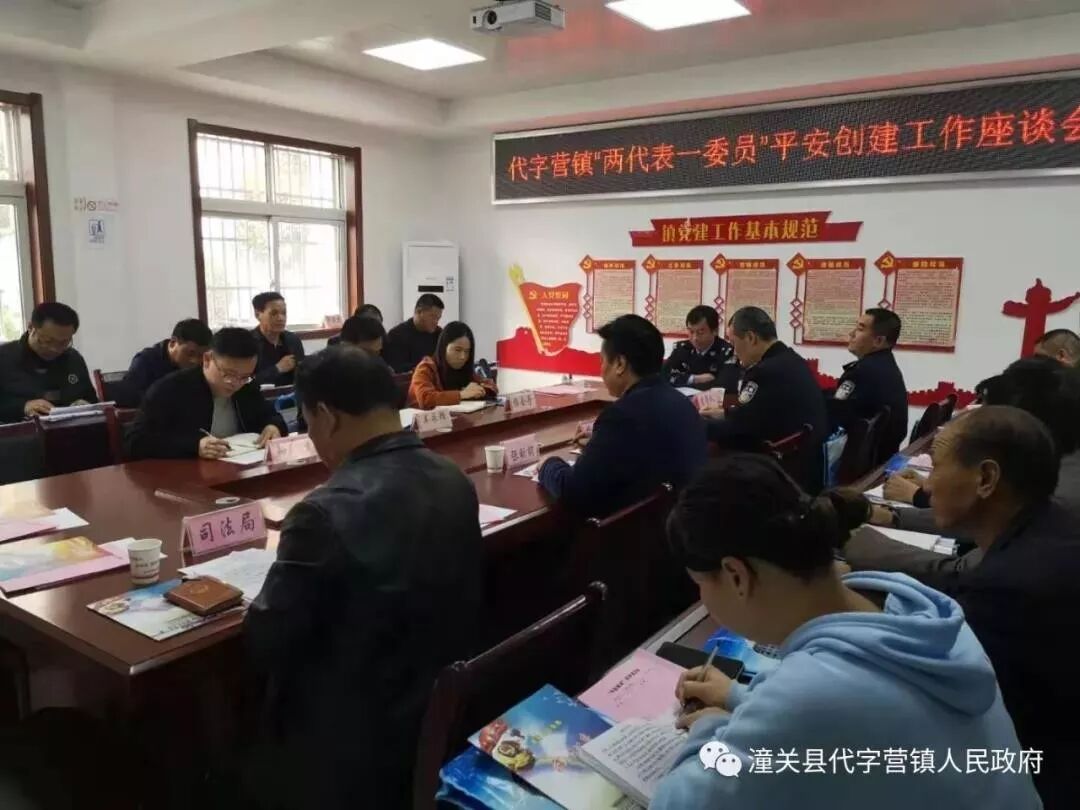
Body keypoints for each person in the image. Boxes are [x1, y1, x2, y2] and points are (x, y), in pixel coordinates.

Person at [651, 453, 1040, 810]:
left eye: (700, 584)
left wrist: (710, 728)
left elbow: (677, 804)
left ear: (736, 575)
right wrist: (740, 697)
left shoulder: (809, 696)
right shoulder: (915, 610)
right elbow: (864, 708)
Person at [242, 347, 482, 810]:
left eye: (308, 423)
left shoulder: (322, 513)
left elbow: (266, 638)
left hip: (351, 739)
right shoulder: (453, 477)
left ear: (326, 417)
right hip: (437, 707)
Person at [889, 406, 1077, 807]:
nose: (928, 485)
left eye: (937, 467)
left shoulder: (1012, 588)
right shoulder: (1052, 524)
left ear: (986, 479)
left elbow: (950, 712)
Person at [844, 358, 1080, 591]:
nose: (929, 485)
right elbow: (985, 516)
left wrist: (861, 545)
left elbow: (968, 575)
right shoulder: (1055, 472)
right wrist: (894, 517)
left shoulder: (1061, 502)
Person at [539, 314, 707, 516]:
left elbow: (575, 492)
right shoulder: (681, 402)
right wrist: (602, 443)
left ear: (619, 364)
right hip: (679, 521)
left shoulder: (621, 416)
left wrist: (548, 464)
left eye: (602, 361)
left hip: (639, 531)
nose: (601, 370)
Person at [704, 306, 828, 493]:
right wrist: (723, 413)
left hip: (775, 473)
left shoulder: (764, 372)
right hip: (803, 465)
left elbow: (738, 429)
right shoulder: (791, 360)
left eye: (733, 342)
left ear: (751, 338)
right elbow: (758, 413)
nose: (734, 352)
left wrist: (694, 424)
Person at [126, 328, 286, 459]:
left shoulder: (247, 386)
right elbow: (135, 442)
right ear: (207, 359)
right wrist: (194, 446)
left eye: (244, 376)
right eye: (228, 374)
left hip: (240, 469)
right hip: (185, 477)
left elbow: (271, 415)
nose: (236, 383)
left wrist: (273, 426)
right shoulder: (170, 389)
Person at [827, 308, 908, 460]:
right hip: (881, 457)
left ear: (878, 341)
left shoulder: (860, 372)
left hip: (861, 462)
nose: (851, 333)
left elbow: (835, 415)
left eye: (860, 329)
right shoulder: (886, 365)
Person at [0, 302, 97, 423]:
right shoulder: (4, 358)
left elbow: (92, 399)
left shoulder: (73, 359)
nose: (54, 349)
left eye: (63, 343)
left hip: (70, 429)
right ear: (31, 327)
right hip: (19, 431)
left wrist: (86, 405)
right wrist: (23, 407)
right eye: (47, 341)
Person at [116, 318, 212, 407]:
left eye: (201, 356)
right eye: (190, 353)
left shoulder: (204, 364)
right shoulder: (146, 360)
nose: (195, 361)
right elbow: (127, 397)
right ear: (173, 343)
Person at [407, 321, 496, 408]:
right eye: (457, 350)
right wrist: (462, 394)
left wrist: (481, 390)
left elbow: (491, 386)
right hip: (421, 417)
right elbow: (426, 399)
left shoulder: (463, 368)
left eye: (467, 351)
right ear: (444, 347)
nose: (463, 357)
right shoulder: (426, 367)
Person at [662, 305, 738, 391]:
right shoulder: (681, 348)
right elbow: (664, 376)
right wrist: (694, 379)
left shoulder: (727, 352)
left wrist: (683, 380)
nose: (695, 338)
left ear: (715, 331)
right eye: (691, 332)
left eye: (700, 332)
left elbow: (726, 384)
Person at [251, 292, 305, 386]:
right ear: (257, 314)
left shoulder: (293, 340)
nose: (281, 318)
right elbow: (245, 383)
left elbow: (303, 375)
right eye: (274, 313)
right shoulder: (247, 342)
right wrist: (277, 369)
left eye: (284, 313)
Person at [383, 294, 444, 373]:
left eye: (438, 318)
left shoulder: (439, 334)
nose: (436, 322)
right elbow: (396, 367)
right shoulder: (396, 335)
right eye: (432, 316)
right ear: (419, 311)